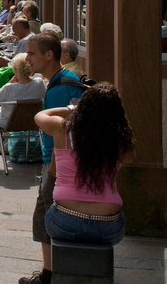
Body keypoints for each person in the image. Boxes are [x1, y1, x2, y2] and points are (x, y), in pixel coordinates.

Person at [19, 32, 85, 284]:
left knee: (52, 218)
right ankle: (48, 273)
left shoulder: (61, 87)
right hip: (54, 162)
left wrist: (55, 175)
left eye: (32, 52)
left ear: (50, 55)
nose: (27, 58)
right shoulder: (61, 80)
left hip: (57, 165)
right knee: (43, 217)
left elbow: (63, 135)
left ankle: (55, 274)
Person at [34, 83, 134, 246]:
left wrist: (72, 109)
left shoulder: (63, 129)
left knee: (48, 217)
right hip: (108, 226)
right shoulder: (118, 140)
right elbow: (130, 157)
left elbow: (40, 116)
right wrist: (117, 119)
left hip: (64, 221)